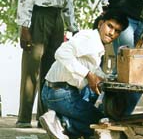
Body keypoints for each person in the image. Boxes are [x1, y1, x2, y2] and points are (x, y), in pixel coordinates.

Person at [15, 0, 78, 128]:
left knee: (52, 69)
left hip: (57, 18)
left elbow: (68, 1)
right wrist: (24, 27)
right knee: (31, 69)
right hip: (39, 17)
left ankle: (45, 118)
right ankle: (24, 118)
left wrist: (72, 26)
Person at [39, 9, 129, 139]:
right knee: (101, 122)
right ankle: (63, 124)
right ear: (100, 24)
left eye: (117, 31)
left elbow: (91, 66)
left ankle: (62, 117)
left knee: (97, 103)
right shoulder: (88, 38)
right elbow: (61, 53)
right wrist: (88, 75)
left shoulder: (97, 43)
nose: (112, 33)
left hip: (65, 91)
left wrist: (105, 78)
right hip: (57, 93)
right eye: (110, 26)